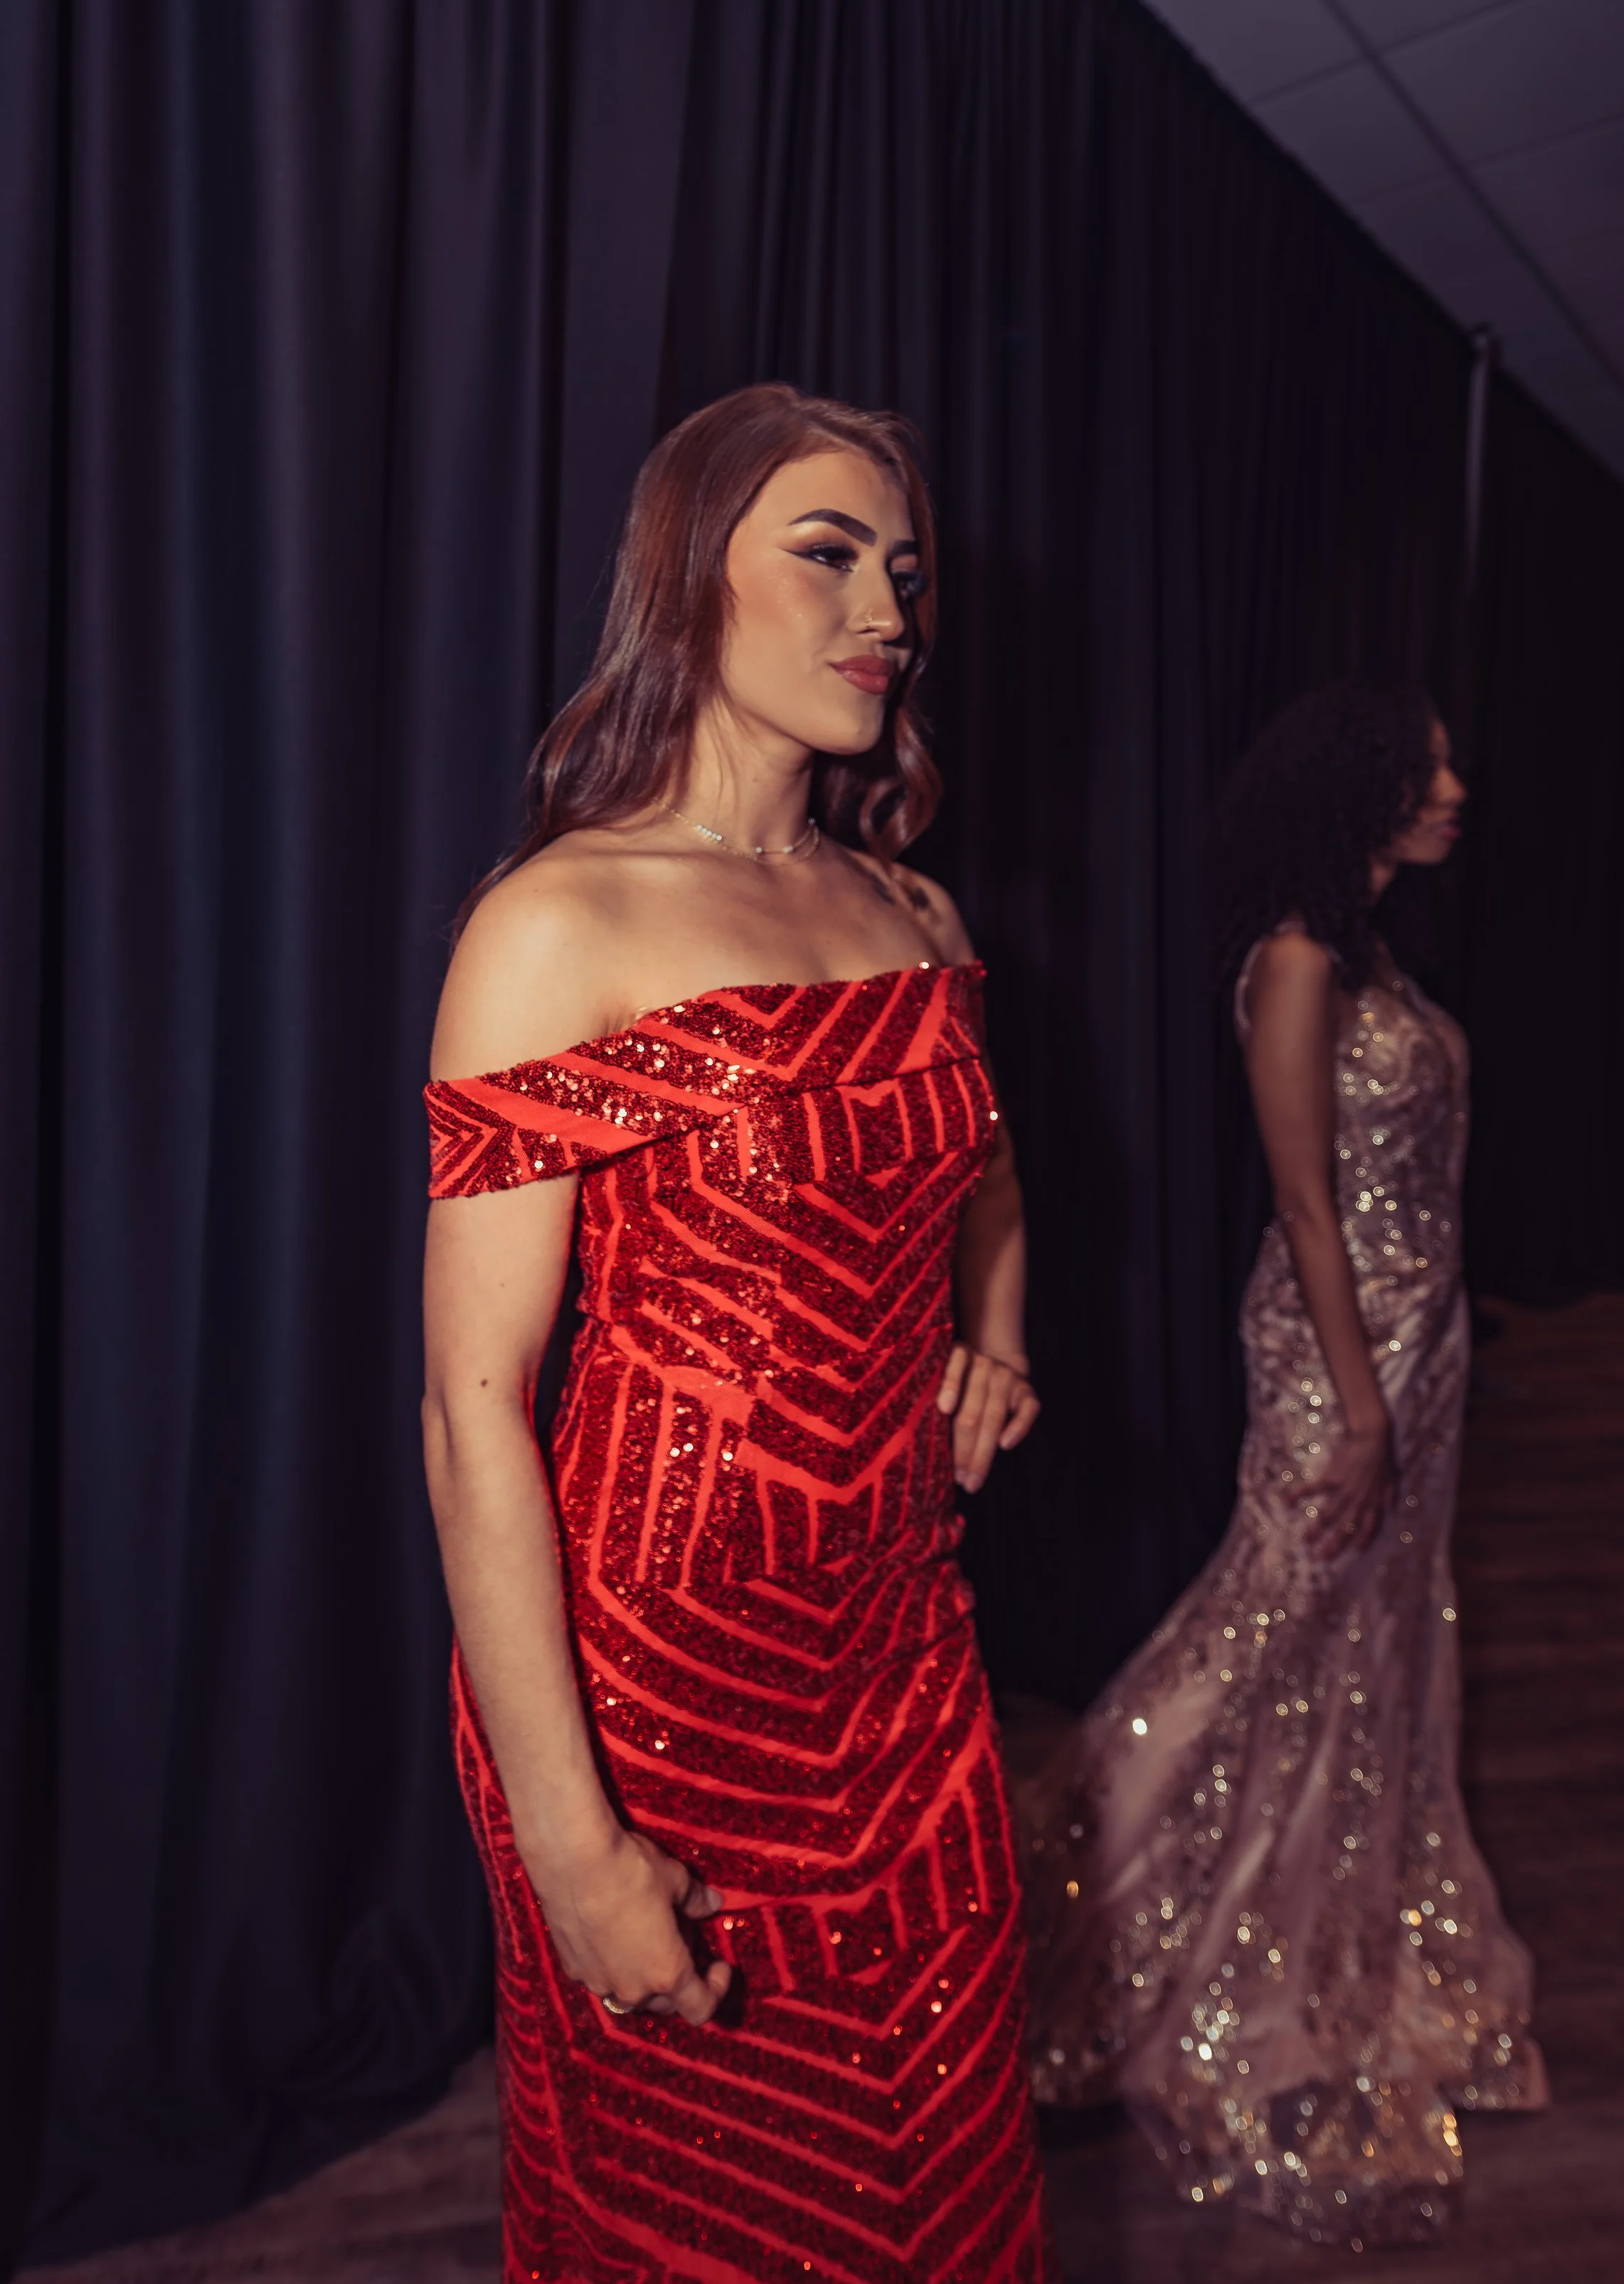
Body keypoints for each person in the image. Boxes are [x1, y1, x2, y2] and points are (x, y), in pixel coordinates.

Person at [421, 385, 1056, 2282]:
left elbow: (986, 1180)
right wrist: (575, 1846)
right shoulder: (558, 923)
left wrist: (992, 1336)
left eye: (905, 573)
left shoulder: (910, 908)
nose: (885, 611)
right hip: (652, 1690)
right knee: (706, 2216)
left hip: (902, 1655)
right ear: (689, 576)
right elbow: (469, 1412)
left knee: (939, 2173)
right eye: (828, 553)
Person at [1019, 683, 1546, 2249]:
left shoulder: (1371, 952)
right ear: (1359, 789)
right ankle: (1077, 1877)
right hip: (1338, 1358)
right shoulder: (1300, 962)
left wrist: (1417, 1373)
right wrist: (1359, 1405)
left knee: (1361, 1646)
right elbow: (1306, 1204)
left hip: (1418, 1346)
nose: (1454, 787)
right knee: (1263, 1627)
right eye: (1426, 767)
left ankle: (1321, 1918)